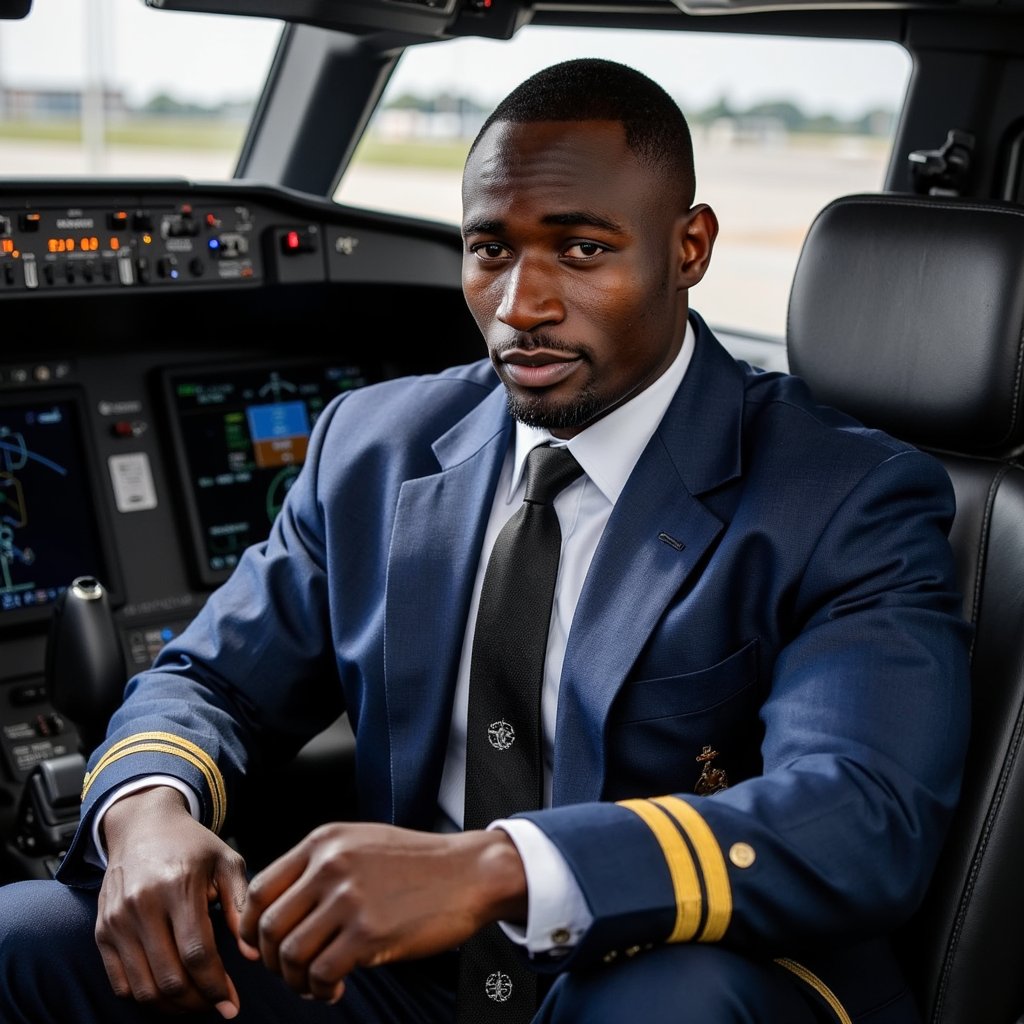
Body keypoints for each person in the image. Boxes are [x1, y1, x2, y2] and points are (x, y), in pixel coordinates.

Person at [0, 56, 971, 1024]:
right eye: (489, 250)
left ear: (689, 247)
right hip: (414, 976)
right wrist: (147, 815)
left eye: (581, 250)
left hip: (672, 968)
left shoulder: (845, 496)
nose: (520, 307)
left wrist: (495, 868)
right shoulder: (371, 448)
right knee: (27, 937)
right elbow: (209, 681)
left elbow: (859, 813)